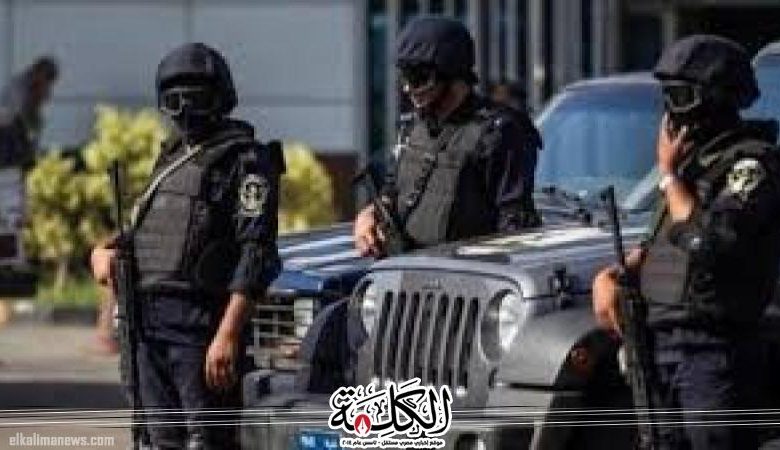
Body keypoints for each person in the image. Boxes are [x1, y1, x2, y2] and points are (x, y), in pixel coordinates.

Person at [90, 42, 283, 449]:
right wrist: (102, 252)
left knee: (207, 440)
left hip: (201, 327)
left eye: (195, 98)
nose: (184, 110)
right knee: (159, 439)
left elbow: (257, 252)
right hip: (147, 328)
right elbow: (144, 230)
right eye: (173, 100)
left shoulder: (246, 161)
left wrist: (228, 334)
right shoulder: (172, 157)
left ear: (220, 97)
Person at [592, 35, 780, 450]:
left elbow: (706, 243)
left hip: (715, 353)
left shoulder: (752, 165)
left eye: (680, 97)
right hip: (661, 347)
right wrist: (615, 275)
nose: (670, 111)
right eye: (666, 97)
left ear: (715, 100)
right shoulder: (689, 167)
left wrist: (667, 176)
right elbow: (660, 244)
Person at [353, 16, 542, 258]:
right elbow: (392, 191)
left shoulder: (498, 133)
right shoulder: (414, 127)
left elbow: (516, 229)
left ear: (452, 75)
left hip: (466, 275)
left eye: (418, 78)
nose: (408, 88)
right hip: (404, 270)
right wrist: (369, 215)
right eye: (405, 77)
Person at [0, 56, 59, 168]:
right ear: (37, 72)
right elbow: (8, 115)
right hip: (8, 125)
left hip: (24, 122)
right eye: (45, 80)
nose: (47, 85)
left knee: (34, 127)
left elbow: (40, 106)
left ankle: (28, 160)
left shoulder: (40, 86)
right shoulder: (18, 85)